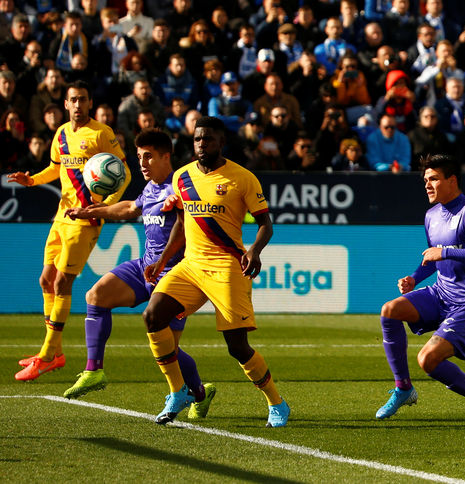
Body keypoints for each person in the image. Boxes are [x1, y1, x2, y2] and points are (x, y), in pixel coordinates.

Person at [141, 116, 290, 427]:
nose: (201, 144)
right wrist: (162, 259)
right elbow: (181, 224)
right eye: (197, 139)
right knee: (153, 315)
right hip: (191, 265)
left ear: (222, 142)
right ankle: (178, 390)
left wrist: (253, 250)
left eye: (208, 139)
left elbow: (266, 224)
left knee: (237, 347)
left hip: (226, 267)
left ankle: (277, 403)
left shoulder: (242, 178)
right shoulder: (182, 177)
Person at [60, 129, 215, 421]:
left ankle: (194, 393)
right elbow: (131, 207)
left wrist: (164, 262)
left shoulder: (181, 185)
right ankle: (94, 371)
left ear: (165, 156)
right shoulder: (151, 188)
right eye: (139, 157)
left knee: (167, 347)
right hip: (146, 265)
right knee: (96, 295)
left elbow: (183, 230)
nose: (141, 163)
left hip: (177, 276)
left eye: (148, 157)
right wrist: (93, 211)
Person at [8, 80, 130, 381]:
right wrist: (33, 180)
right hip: (61, 216)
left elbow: (123, 173)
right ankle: (56, 353)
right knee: (46, 280)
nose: (78, 104)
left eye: (83, 100)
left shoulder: (102, 134)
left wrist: (104, 207)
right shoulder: (61, 133)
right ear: (66, 104)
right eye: (73, 100)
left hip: (84, 220)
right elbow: (56, 168)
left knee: (63, 283)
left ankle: (48, 354)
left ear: (90, 103)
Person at [376, 154, 465, 429]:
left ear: (452, 180)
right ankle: (403, 389)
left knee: (428, 359)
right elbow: (433, 258)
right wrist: (414, 278)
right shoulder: (431, 215)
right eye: (425, 180)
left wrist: (444, 252)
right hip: (441, 293)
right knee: (390, 311)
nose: (427, 185)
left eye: (433, 179)